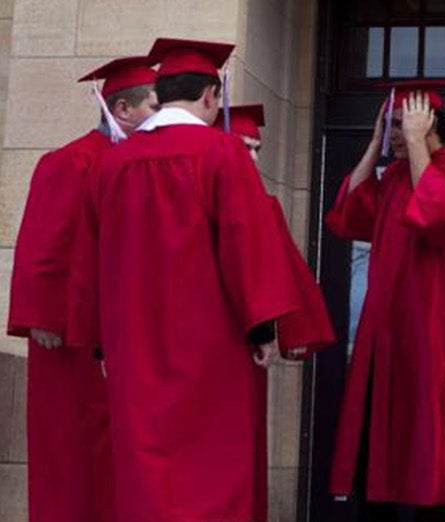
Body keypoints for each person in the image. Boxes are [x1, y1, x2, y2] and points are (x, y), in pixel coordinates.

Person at [63, 37, 313, 522]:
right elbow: (245, 247)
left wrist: (99, 343)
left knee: (146, 478)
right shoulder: (221, 154)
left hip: (134, 350)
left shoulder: (112, 163)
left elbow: (88, 257)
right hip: (210, 350)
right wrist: (262, 329)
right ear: (210, 97)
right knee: (212, 475)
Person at [325, 80, 445, 521]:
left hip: (429, 330)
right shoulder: (394, 175)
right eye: (390, 124)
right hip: (384, 333)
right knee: (373, 453)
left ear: (428, 121)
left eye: (399, 123)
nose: (395, 133)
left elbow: (438, 216)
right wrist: (374, 145)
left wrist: (415, 143)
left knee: (429, 447)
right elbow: (348, 214)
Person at [7, 55, 156, 522]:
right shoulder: (71, 161)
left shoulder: (138, 164)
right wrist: (43, 318)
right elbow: (42, 243)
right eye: (154, 103)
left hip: (118, 336)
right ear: (124, 109)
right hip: (70, 336)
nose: (162, 112)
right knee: (73, 458)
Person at [217, 104, 335, 356]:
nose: (254, 157)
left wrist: (287, 329)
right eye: (244, 146)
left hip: (243, 330)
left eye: (256, 148)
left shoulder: (266, 205)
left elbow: (282, 267)